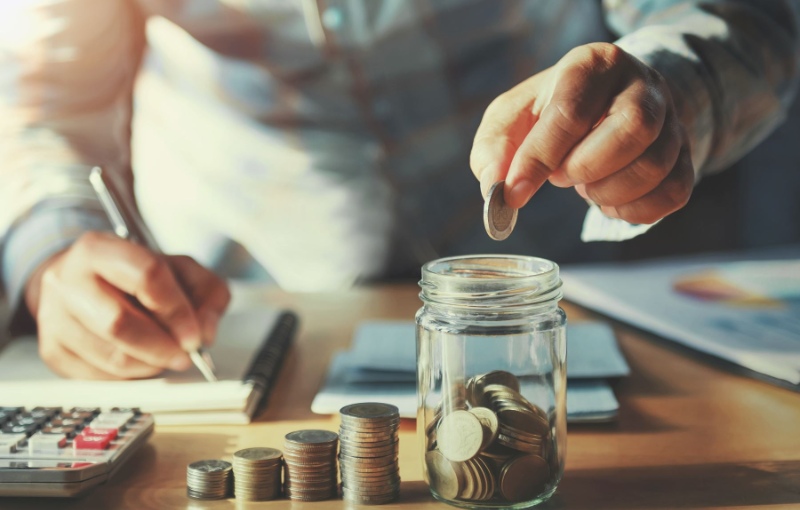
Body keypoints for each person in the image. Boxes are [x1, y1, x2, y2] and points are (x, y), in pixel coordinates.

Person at [0, 1, 797, 380]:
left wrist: (669, 91)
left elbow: (748, 17)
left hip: (589, 280)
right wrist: (54, 247)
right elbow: (46, 97)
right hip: (243, 314)